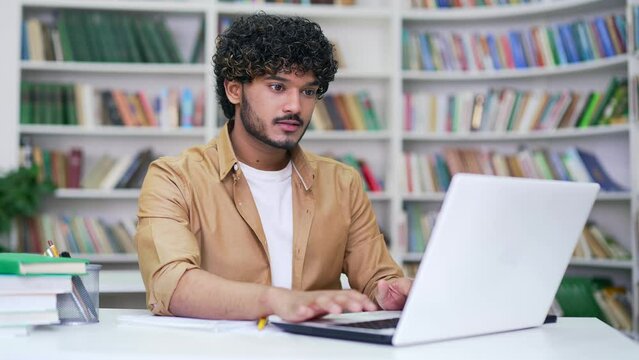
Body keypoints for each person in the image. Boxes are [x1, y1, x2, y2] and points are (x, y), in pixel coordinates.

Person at [136, 12, 412, 322]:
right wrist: (278, 301)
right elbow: (170, 285)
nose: (295, 106)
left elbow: (378, 278)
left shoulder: (341, 182)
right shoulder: (174, 177)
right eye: (278, 87)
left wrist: (389, 291)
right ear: (234, 90)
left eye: (308, 91)